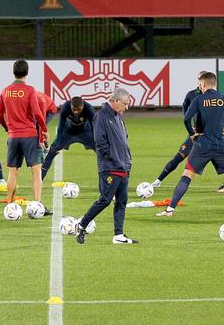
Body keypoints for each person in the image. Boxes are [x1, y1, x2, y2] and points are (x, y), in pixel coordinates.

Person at [157, 72, 224, 217]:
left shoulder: (199, 99)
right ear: (214, 84)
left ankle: (169, 210)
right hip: (221, 145)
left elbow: (186, 119)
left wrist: (192, 133)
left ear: (203, 84)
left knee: (187, 176)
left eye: (200, 84)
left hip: (202, 145)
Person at [76, 88, 137, 244]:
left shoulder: (118, 117)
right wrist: (114, 159)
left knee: (121, 201)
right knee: (105, 200)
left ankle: (119, 235)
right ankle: (82, 224)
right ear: (115, 101)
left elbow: (124, 141)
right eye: (125, 103)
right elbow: (100, 144)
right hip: (110, 167)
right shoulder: (101, 117)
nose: (127, 107)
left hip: (123, 167)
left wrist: (127, 161)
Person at [0, 59, 48, 212]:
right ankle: (38, 205)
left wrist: (8, 128)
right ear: (27, 73)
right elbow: (37, 113)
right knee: (36, 170)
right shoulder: (30, 90)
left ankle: (10, 206)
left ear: (14, 72)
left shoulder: (5, 91)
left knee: (13, 172)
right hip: (29, 135)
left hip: (13, 137)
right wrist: (44, 129)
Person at [150, 71, 207, 189]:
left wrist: (223, 125)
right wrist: (190, 124)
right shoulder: (192, 94)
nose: (200, 82)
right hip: (195, 135)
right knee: (179, 157)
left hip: (211, 135)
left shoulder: (214, 96)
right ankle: (158, 180)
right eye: (199, 79)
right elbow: (185, 106)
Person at [41, 96, 96, 179]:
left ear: (83, 106)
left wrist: (96, 141)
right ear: (70, 105)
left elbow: (94, 127)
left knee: (102, 151)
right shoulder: (65, 107)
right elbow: (61, 126)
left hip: (85, 132)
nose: (76, 112)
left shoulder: (89, 109)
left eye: (79, 109)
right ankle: (39, 179)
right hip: (68, 132)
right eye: (74, 109)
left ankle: (109, 179)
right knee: (52, 151)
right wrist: (58, 142)